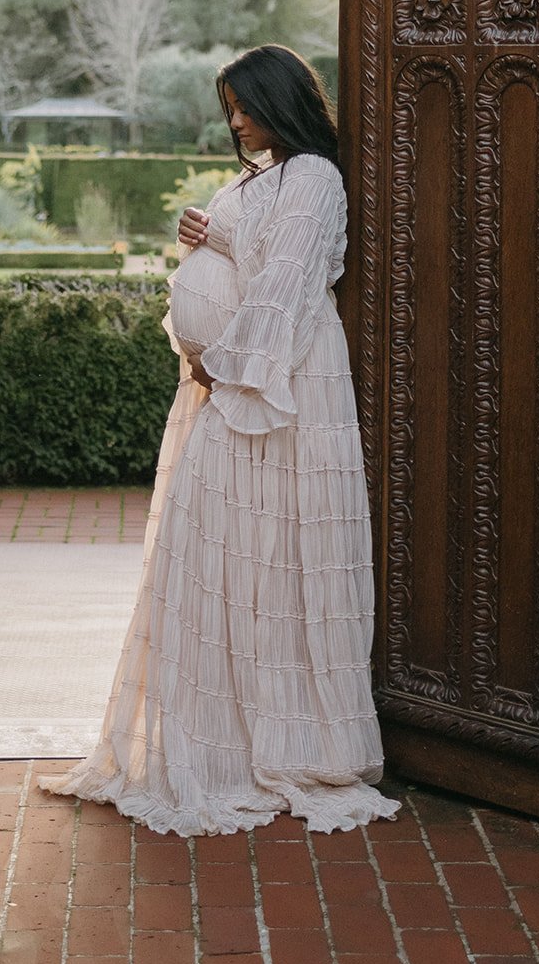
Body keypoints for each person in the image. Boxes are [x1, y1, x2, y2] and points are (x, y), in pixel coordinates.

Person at [41, 44, 398, 835]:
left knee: (273, 561)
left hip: (275, 389)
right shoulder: (263, 175)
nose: (236, 121)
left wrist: (223, 362)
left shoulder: (314, 176)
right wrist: (206, 238)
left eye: (247, 106)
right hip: (230, 386)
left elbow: (287, 284)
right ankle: (221, 737)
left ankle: (278, 742)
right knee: (220, 557)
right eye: (229, 107)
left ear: (286, 103)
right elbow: (249, 260)